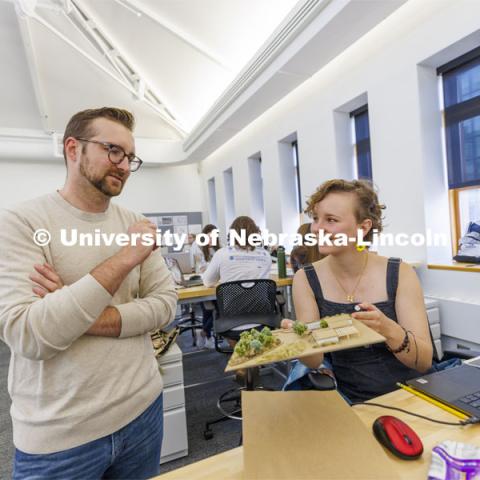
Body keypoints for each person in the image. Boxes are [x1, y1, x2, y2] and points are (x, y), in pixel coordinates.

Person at [0, 107, 177, 479]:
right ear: (72, 148)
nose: (124, 165)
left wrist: (74, 308)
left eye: (130, 157)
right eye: (113, 150)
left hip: (142, 408)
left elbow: (164, 305)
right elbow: (29, 334)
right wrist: (126, 258)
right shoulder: (22, 223)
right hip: (61, 437)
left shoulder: (134, 222)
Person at [283, 179, 433, 402]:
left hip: (413, 395)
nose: (317, 229)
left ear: (363, 227)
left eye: (331, 220)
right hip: (352, 401)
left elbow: (423, 361)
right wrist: (300, 341)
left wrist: (387, 329)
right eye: (315, 219)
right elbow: (315, 361)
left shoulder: (400, 273)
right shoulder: (306, 279)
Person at [202, 216, 272, 287]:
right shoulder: (265, 255)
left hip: (231, 298)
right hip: (260, 298)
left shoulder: (221, 254)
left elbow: (207, 282)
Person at [190, 224, 220, 348]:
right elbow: (199, 268)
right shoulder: (197, 245)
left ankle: (205, 332)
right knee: (208, 309)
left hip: (217, 282)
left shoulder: (217, 247)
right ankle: (207, 334)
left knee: (219, 309)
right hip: (203, 282)